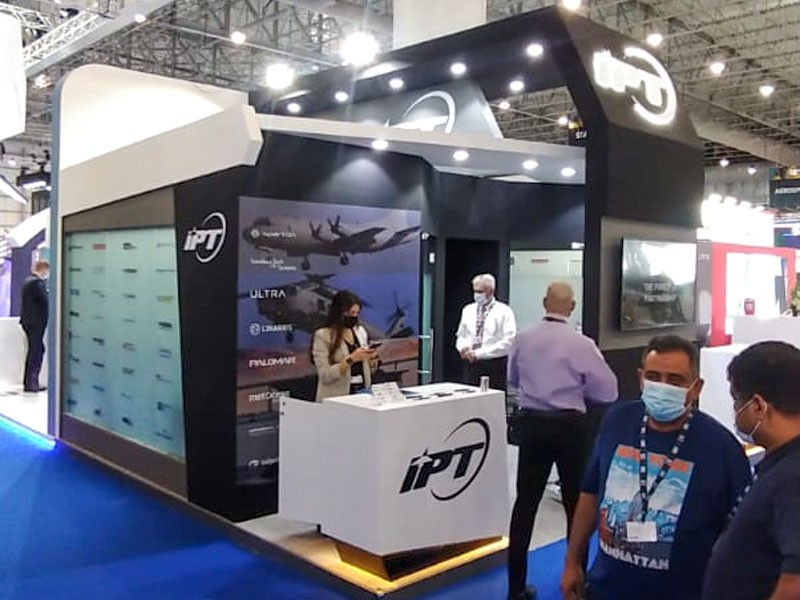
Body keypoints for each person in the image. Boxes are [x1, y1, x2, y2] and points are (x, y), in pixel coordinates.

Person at [561, 335, 752, 600]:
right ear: (641, 379)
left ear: (696, 388)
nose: (662, 386)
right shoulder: (617, 421)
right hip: (606, 588)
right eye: (653, 377)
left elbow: (743, 535)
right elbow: (591, 494)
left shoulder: (721, 447)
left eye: (675, 380)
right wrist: (572, 561)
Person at [507, 281, 618, 600]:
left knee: (525, 504)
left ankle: (516, 589)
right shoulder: (582, 344)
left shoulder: (523, 338)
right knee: (576, 506)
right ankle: (575, 585)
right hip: (571, 429)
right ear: (571, 307)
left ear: (544, 302)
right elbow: (608, 390)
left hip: (532, 426)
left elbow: (513, 379)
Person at [702, 341, 800, 600]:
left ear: (757, 405)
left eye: (736, 401)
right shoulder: (781, 464)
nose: (735, 412)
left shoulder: (792, 478)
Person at [311, 290, 377, 402]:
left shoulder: (360, 332)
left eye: (357, 313)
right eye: (351, 313)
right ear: (340, 312)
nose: (354, 317)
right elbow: (325, 376)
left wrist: (372, 360)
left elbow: (368, 371)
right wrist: (351, 359)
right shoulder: (323, 336)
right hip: (336, 400)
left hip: (362, 396)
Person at [455, 273, 516, 390]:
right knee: (470, 396)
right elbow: (461, 335)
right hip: (471, 363)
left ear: (491, 291)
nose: (476, 295)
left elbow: (509, 342)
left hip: (494, 364)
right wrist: (463, 348)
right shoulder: (468, 309)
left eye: (480, 291)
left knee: (493, 398)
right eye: (475, 291)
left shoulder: (504, 311)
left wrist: (480, 353)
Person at [20, 259, 49, 393]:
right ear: (43, 269)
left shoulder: (28, 282)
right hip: (35, 323)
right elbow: (44, 301)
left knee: (36, 350)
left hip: (28, 322)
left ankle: (30, 381)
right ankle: (32, 382)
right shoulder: (37, 284)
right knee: (36, 352)